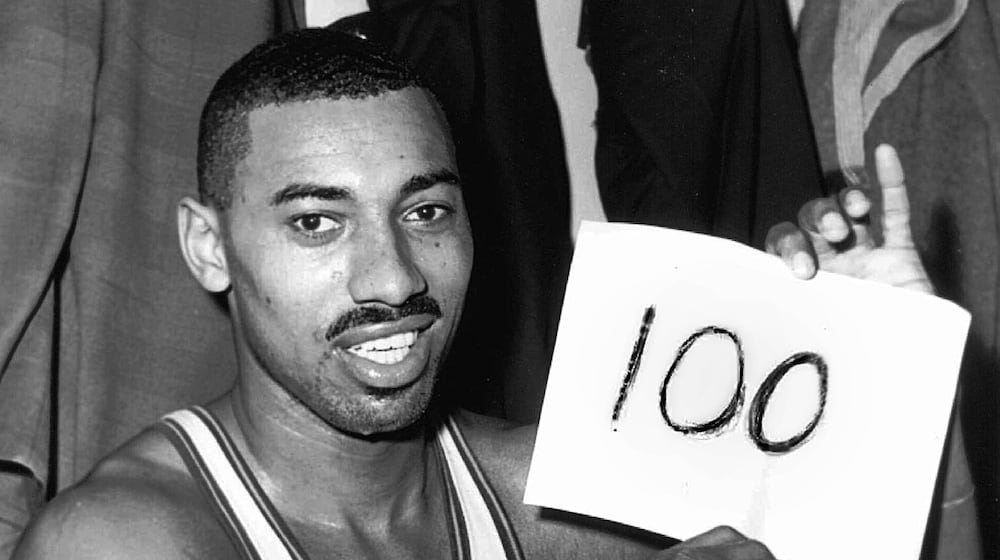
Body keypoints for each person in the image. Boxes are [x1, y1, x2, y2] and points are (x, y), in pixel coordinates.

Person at [10, 29, 935, 559]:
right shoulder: (126, 539)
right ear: (208, 246)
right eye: (316, 223)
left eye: (425, 211)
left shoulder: (551, 492)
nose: (395, 280)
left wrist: (868, 365)